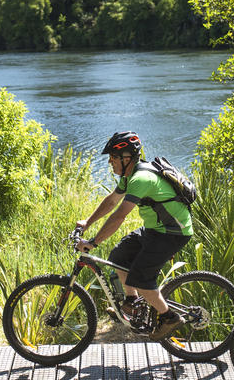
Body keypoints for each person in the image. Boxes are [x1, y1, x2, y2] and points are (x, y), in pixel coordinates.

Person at [76, 131, 193, 341]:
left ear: (126, 158)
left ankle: (169, 317)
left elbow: (119, 215)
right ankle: (133, 303)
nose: (110, 162)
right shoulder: (129, 177)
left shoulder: (141, 179)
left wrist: (93, 242)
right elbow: (112, 201)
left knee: (140, 277)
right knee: (119, 256)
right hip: (155, 229)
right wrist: (88, 222)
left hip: (173, 232)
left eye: (113, 158)